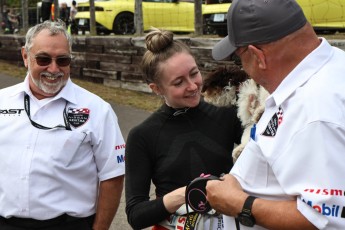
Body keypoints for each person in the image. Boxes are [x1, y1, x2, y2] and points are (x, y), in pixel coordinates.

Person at [206, 0, 345, 229]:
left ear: (258, 56)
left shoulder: (313, 114)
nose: (241, 66)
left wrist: (239, 203)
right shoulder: (331, 66)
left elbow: (326, 220)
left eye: (238, 57)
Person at [0, 19, 125, 230]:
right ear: (25, 56)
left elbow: (112, 175)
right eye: (43, 59)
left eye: (63, 60)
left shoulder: (97, 110)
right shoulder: (2, 101)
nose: (53, 68)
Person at [125, 27, 243, 230]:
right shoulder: (142, 135)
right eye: (179, 82)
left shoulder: (228, 113)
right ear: (157, 89)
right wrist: (185, 194)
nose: (193, 86)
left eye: (194, 73)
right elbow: (136, 214)